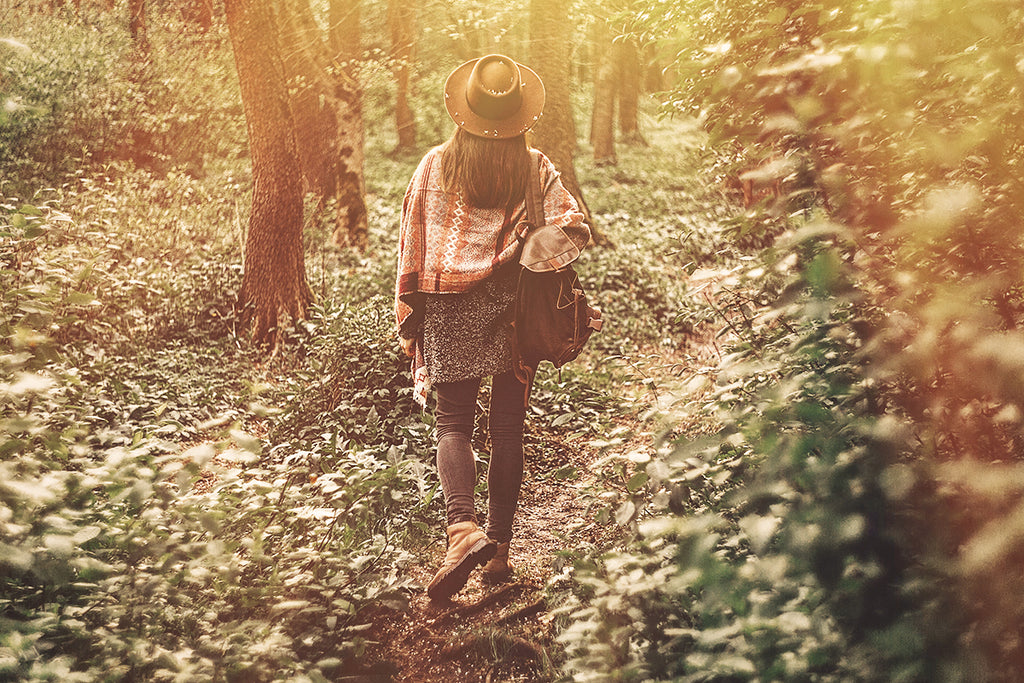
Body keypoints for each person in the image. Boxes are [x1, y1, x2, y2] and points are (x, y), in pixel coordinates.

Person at [394, 54, 590, 601]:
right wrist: (524, 252)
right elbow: (573, 226)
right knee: (508, 426)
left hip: (450, 309)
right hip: (514, 314)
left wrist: (414, 310)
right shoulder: (534, 167)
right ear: (519, 113)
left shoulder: (434, 165)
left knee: (452, 423)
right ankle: (498, 550)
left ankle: (462, 531)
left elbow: (413, 241)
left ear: (464, 111)